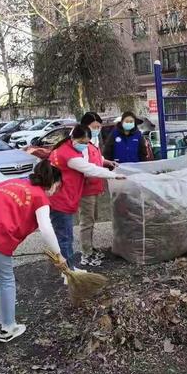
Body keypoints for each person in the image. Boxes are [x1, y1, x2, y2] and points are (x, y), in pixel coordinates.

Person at [0, 160, 67, 356]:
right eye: (57, 187)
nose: (55, 191)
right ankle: (8, 327)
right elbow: (46, 229)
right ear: (52, 182)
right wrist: (59, 255)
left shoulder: (10, 183)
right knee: (6, 280)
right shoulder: (40, 196)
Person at [49, 124, 122, 270]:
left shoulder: (66, 149)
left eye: (86, 142)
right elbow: (90, 169)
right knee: (65, 238)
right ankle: (69, 271)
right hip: (61, 200)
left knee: (64, 237)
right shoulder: (68, 155)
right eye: (82, 142)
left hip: (62, 197)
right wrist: (114, 175)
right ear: (73, 138)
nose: (84, 145)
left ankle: (67, 268)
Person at [78, 112, 117, 267]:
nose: (97, 129)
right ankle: (85, 253)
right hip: (86, 189)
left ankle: (90, 248)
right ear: (85, 126)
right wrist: (108, 173)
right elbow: (87, 168)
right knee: (86, 221)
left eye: (98, 127)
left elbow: (98, 158)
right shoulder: (81, 143)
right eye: (94, 127)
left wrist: (108, 162)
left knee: (92, 219)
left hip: (95, 186)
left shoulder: (92, 140)